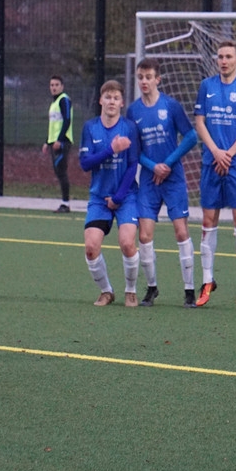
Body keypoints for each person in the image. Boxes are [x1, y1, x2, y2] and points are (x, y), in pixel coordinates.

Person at [125, 58, 199, 308]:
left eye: (148, 77)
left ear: (158, 79)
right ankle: (152, 288)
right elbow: (134, 150)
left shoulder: (171, 106)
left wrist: (167, 164)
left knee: (181, 231)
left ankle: (189, 290)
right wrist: (153, 166)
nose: (144, 81)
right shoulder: (133, 111)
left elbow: (191, 137)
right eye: (140, 77)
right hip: (149, 180)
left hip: (173, 177)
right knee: (145, 235)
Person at [193, 40, 236, 309]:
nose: (224, 61)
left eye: (229, 56)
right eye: (220, 56)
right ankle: (207, 280)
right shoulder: (206, 87)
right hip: (212, 161)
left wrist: (227, 154)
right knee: (208, 220)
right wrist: (216, 152)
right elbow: (200, 123)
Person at [79, 80, 141, 307]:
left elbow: (132, 165)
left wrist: (118, 198)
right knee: (91, 248)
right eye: (108, 97)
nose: (111, 102)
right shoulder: (90, 127)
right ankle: (106, 291)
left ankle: (131, 291)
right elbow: (85, 164)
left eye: (116, 98)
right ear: (100, 101)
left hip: (125, 197)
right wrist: (111, 150)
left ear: (122, 103)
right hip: (99, 198)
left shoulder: (129, 128)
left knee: (127, 243)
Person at [42, 75, 73, 213]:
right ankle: (64, 202)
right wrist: (47, 141)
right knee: (58, 171)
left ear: (62, 86)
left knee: (61, 171)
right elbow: (53, 125)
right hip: (54, 142)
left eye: (56, 85)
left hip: (62, 142)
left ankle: (65, 203)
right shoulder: (54, 103)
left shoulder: (64, 100)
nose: (53, 87)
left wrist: (60, 140)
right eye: (52, 85)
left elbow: (67, 120)